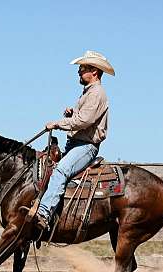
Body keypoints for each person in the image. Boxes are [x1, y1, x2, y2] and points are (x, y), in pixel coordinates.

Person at [35, 50, 115, 231]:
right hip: (76, 144)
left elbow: (84, 121)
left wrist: (58, 123)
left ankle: (44, 213)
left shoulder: (96, 93)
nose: (79, 72)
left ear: (94, 71)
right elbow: (84, 117)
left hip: (86, 146)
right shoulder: (88, 93)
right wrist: (73, 114)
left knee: (60, 172)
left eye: (82, 68)